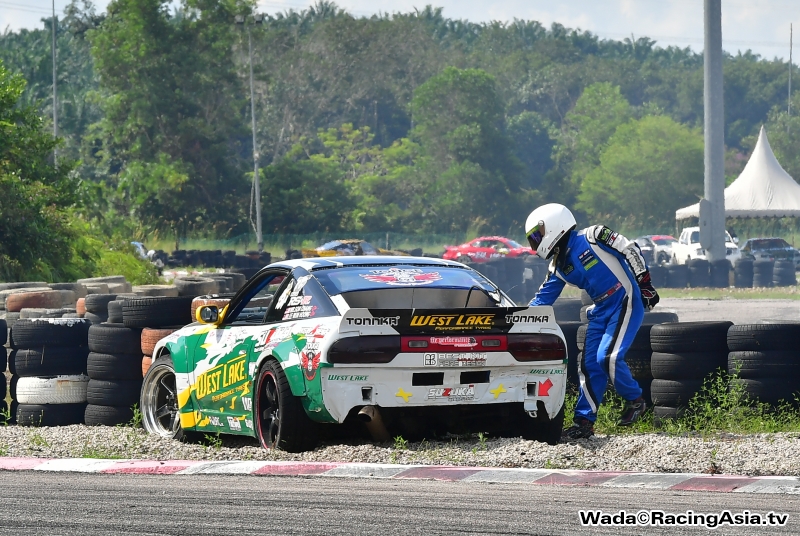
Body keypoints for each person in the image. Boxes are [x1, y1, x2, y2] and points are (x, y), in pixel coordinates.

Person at [525, 203, 659, 439]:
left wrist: (645, 283)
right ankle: (584, 422)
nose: (535, 244)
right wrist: (517, 320)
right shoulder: (557, 266)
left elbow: (630, 249)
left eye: (537, 236)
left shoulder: (594, 235)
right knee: (589, 366)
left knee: (608, 357)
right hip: (600, 311)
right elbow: (542, 299)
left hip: (625, 300)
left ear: (553, 226)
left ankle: (635, 400)